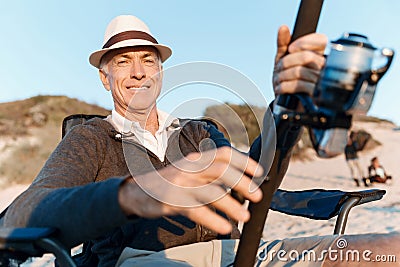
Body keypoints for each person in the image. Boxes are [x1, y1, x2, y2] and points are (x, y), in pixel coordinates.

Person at [3, 15, 400, 266]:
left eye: (149, 61)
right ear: (104, 77)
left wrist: (286, 105)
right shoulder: (91, 138)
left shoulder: (197, 132)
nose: (139, 72)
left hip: (234, 254)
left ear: (160, 73)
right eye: (123, 61)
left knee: (387, 249)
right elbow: (22, 215)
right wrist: (135, 193)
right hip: (137, 261)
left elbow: (255, 178)